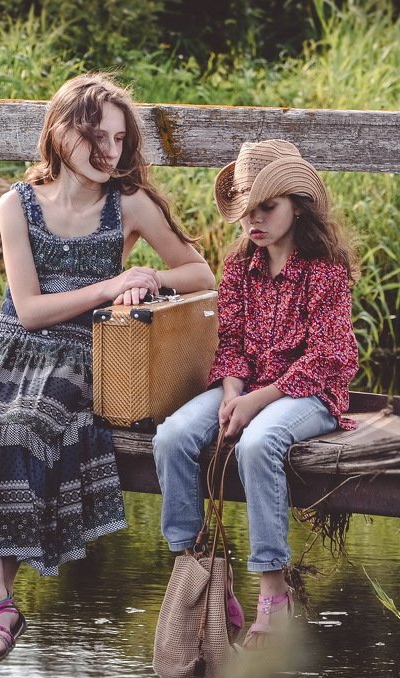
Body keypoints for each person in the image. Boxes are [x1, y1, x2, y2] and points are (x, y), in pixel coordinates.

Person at [0, 72, 216, 665]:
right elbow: (28, 310)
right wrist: (109, 284)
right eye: (98, 137)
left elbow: (201, 274)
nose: (112, 151)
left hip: (86, 349)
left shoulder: (130, 204)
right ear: (61, 134)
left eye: (120, 139)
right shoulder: (16, 204)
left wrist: (149, 277)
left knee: (26, 425)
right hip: (11, 342)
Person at [152, 139, 359, 650]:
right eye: (246, 209)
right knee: (172, 436)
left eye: (267, 207)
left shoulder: (324, 270)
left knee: (258, 443)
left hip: (308, 393)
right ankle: (199, 574)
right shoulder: (240, 267)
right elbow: (231, 343)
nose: (254, 220)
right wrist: (231, 392)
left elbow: (329, 356)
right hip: (249, 386)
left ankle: (273, 591)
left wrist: (254, 402)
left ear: (297, 206)